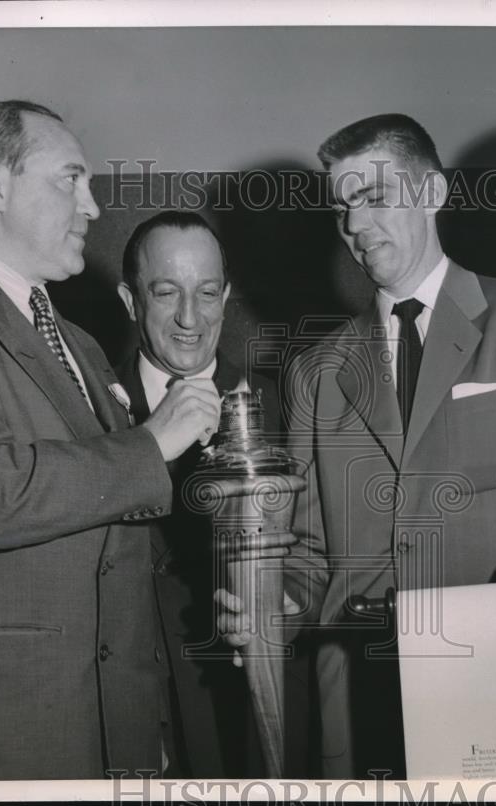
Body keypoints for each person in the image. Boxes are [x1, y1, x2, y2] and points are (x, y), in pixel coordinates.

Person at [0, 101, 220, 781]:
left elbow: (114, 531)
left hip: (116, 733)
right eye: (70, 180)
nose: (91, 206)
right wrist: (154, 441)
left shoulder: (78, 343)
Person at [223, 113, 496, 779]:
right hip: (359, 702)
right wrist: (277, 604)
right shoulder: (314, 370)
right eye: (343, 207)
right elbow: (308, 553)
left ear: (434, 194)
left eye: (375, 198)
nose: (355, 227)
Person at [113, 210, 310, 777]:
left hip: (258, 720)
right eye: (166, 292)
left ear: (226, 296)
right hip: (140, 723)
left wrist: (285, 605)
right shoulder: (87, 410)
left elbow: (320, 553)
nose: (189, 318)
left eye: (206, 293)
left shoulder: (288, 406)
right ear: (131, 302)